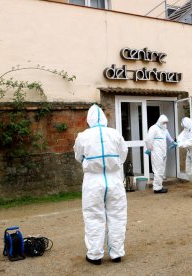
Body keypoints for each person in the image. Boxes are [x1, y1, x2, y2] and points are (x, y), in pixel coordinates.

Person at [73, 104, 128, 265]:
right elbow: (123, 154)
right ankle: (116, 253)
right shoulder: (115, 133)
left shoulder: (83, 136)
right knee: (117, 215)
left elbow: (78, 156)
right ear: (104, 118)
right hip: (114, 179)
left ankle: (95, 255)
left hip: (93, 181)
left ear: (88, 119)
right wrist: (114, 164)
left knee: (93, 216)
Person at [145, 114, 176, 194]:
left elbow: (168, 136)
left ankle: (159, 186)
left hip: (163, 152)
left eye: (166, 123)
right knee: (158, 169)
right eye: (164, 122)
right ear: (160, 121)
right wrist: (149, 148)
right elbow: (148, 139)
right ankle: (157, 188)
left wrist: (173, 142)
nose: (165, 124)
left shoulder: (164, 129)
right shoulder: (153, 128)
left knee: (162, 169)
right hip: (156, 151)